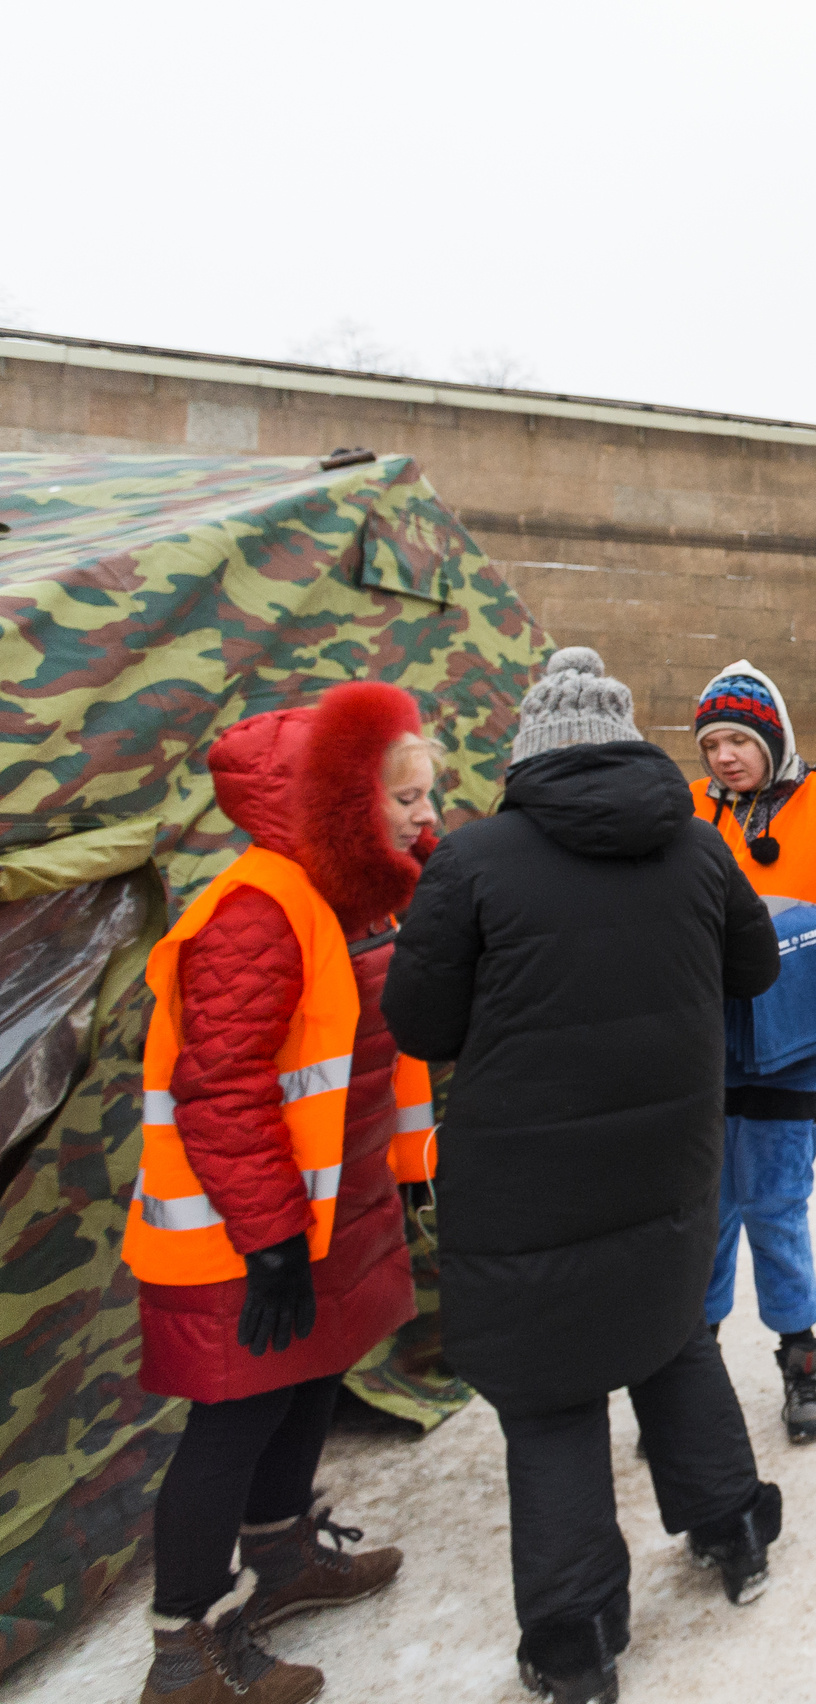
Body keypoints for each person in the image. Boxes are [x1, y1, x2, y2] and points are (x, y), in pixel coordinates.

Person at [384, 648, 784, 1704]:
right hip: (667, 1155)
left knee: (551, 1400)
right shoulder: (698, 849)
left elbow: (419, 1023)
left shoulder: (471, 862)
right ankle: (735, 1529)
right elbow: (757, 968)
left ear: (528, 754)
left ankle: (576, 1638)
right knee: (670, 1339)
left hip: (525, 1182)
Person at [127, 684, 439, 1704]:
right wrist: (268, 1242)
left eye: (425, 796)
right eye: (403, 800)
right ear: (344, 805)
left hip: (319, 1219)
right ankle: (186, 1650)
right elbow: (220, 1089)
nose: (422, 816)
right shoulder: (257, 908)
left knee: (310, 1385)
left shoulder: (342, 896)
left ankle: (284, 1561)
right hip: (241, 1234)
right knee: (230, 1424)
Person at [689, 661, 816, 1446]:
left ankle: (801, 1356)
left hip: (791, 1039)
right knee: (706, 1207)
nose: (725, 757)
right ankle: (695, 1365)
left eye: (739, 739)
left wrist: (794, 941)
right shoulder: (693, 815)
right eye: (712, 744)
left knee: (774, 1204)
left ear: (772, 738)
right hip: (709, 1041)